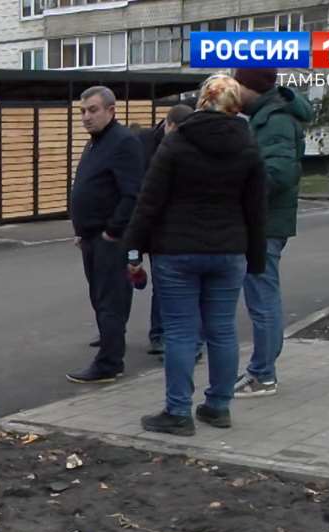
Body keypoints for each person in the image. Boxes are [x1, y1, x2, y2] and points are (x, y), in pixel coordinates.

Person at [124, 75, 267, 436]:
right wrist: (257, 258)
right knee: (221, 331)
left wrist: (133, 249)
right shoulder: (249, 148)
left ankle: (178, 412)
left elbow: (149, 200)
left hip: (177, 252)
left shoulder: (176, 144)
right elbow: (256, 209)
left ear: (203, 99)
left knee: (181, 333)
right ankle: (218, 406)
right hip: (229, 252)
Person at [232, 68, 312, 399]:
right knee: (264, 296)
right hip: (262, 221)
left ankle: (263, 374)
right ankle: (262, 370)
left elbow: (276, 174)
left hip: (264, 223)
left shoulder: (274, 119)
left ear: (251, 87)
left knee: (263, 299)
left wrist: (239, 195)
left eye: (237, 85)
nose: (234, 92)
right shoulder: (265, 116)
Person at [66, 86, 145, 384]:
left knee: (111, 299)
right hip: (90, 237)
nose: (86, 117)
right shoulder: (95, 143)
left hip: (111, 240)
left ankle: (110, 363)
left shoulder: (123, 142)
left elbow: (132, 193)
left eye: (93, 110)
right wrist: (82, 230)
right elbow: (92, 187)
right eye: (83, 111)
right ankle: (110, 346)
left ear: (111, 111)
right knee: (100, 298)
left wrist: (112, 231)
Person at [139, 103, 196, 356]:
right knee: (161, 283)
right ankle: (160, 334)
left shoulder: (190, 143)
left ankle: (168, 336)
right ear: (167, 124)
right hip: (155, 223)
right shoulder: (145, 144)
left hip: (182, 227)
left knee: (174, 284)